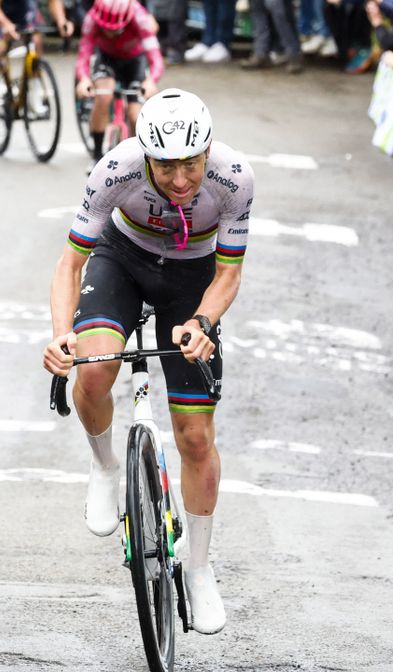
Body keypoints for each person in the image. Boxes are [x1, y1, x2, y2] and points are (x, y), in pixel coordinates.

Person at [42, 89, 252, 635]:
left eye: (190, 164)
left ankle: (200, 568)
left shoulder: (234, 178)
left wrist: (202, 324)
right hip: (123, 260)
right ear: (144, 154)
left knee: (196, 437)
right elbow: (71, 262)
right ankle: (105, 465)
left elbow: (228, 273)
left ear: (208, 151)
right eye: (165, 166)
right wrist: (62, 335)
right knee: (91, 368)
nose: (181, 180)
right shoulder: (115, 170)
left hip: (192, 278)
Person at [74, 0, 164, 162]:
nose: (109, 33)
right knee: (103, 96)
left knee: (135, 115)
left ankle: (136, 159)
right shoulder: (91, 19)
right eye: (105, 29)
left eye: (116, 30)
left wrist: (151, 80)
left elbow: (156, 58)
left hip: (134, 59)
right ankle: (97, 156)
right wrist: (84, 79)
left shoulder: (140, 18)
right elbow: (84, 54)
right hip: (106, 58)